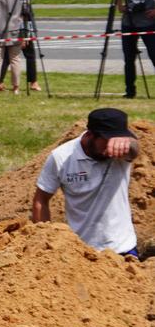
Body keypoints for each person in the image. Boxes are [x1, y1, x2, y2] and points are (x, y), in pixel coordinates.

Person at [31, 108, 140, 257]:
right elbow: (40, 200)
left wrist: (128, 143)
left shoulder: (122, 154)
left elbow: (134, 149)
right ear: (90, 135)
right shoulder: (62, 157)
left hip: (124, 249)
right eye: (107, 142)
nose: (111, 149)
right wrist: (45, 241)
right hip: (82, 252)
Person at [117, 0, 155, 99]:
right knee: (128, 58)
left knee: (154, 55)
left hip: (149, 21)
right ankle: (130, 91)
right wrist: (120, 5)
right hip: (130, 21)